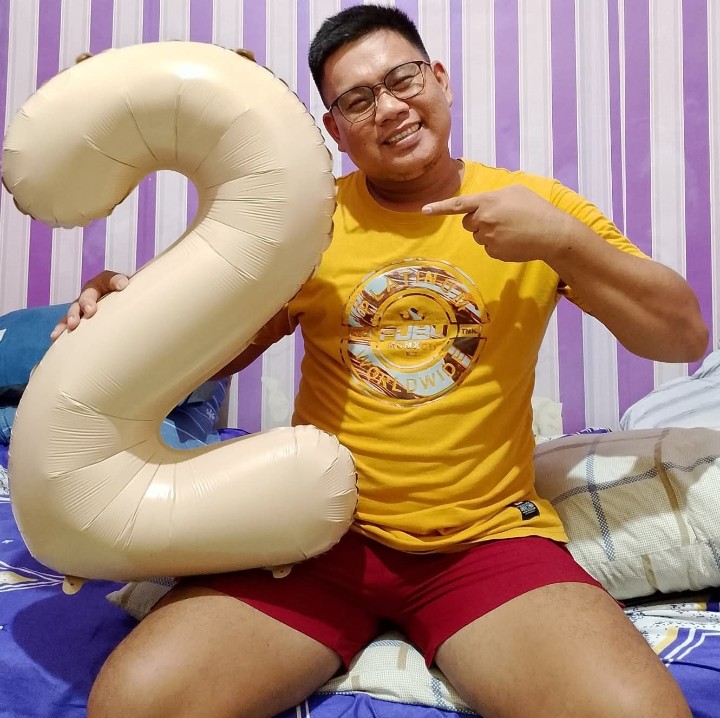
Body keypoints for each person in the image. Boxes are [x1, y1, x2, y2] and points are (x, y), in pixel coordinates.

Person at [58, 6, 707, 718]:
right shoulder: (305, 224)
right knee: (133, 705)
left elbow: (682, 338)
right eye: (358, 100)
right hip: (314, 538)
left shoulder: (537, 208)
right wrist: (121, 317)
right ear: (335, 130)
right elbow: (200, 359)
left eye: (403, 79)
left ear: (440, 79)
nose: (390, 108)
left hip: (484, 544)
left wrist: (563, 242)